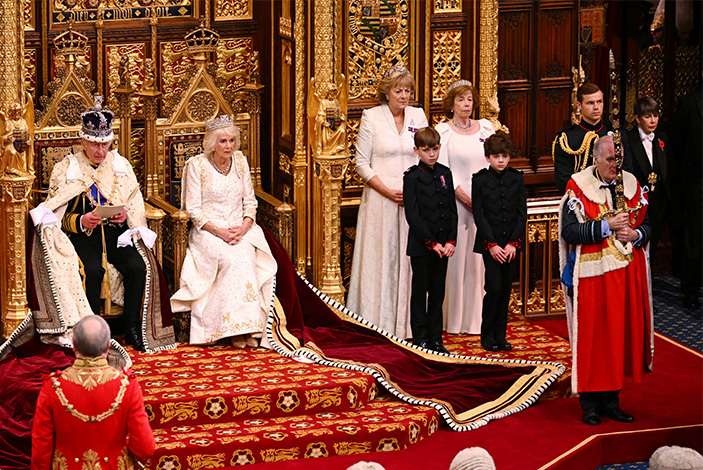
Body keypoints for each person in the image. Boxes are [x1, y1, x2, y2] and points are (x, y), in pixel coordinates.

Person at [29, 96, 173, 353]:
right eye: (95, 145)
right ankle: (92, 335)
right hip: (82, 235)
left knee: (138, 266)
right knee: (92, 271)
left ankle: (131, 326)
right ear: (82, 141)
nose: (100, 151)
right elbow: (54, 216)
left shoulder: (120, 166)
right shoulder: (67, 169)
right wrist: (81, 220)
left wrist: (124, 216)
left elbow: (133, 201)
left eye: (105, 144)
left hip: (117, 233)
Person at [559, 135, 653, 426]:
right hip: (592, 278)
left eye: (619, 159)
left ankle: (612, 401)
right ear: (596, 159)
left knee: (618, 336)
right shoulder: (578, 186)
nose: (616, 165)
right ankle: (590, 405)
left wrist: (636, 235)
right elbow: (570, 231)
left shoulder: (633, 184)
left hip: (625, 275)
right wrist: (605, 226)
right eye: (611, 159)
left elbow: (649, 224)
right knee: (594, 339)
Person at [171, 115, 277, 347]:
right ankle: (230, 329)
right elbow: (194, 211)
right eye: (222, 141)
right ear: (211, 143)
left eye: (231, 140)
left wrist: (244, 227)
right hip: (208, 231)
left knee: (247, 257)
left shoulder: (240, 161)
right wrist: (219, 232)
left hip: (241, 229)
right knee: (230, 259)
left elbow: (250, 202)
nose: (228, 146)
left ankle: (249, 328)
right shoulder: (196, 166)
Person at [347, 65, 428, 339]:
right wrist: (386, 190)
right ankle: (376, 321)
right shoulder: (371, 117)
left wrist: (415, 189)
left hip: (412, 199)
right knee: (382, 256)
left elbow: (426, 154)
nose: (404, 96)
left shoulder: (418, 115)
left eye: (407, 91)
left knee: (410, 258)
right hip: (380, 199)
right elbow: (361, 163)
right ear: (387, 92)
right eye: (399, 90)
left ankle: (408, 324)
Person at [31, 315, 155, 469]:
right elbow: (145, 448)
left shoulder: (53, 387)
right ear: (108, 346)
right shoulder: (127, 386)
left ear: (74, 345)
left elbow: (40, 452)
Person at [437, 79, 495, 335]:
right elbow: (442, 172)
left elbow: (495, 160)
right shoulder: (443, 132)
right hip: (457, 206)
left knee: (480, 262)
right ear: (452, 104)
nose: (466, 104)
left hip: (485, 204)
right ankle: (454, 320)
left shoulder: (486, 128)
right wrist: (462, 196)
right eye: (461, 99)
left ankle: (479, 320)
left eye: (470, 99)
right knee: (458, 260)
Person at [403, 127, 457, 352]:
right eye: (426, 150)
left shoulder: (445, 172)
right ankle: (420, 337)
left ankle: (436, 337)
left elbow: (452, 210)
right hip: (422, 246)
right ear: (417, 150)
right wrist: (431, 242)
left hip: (444, 246)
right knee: (420, 290)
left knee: (438, 292)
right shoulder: (412, 177)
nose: (431, 154)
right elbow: (413, 215)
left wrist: (451, 241)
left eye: (434, 149)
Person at [472, 132, 526, 352]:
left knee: (505, 290)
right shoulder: (480, 180)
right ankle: (488, 336)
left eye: (504, 156)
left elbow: (522, 213)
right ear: (488, 158)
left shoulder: (517, 178)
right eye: (496, 156)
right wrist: (492, 245)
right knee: (492, 288)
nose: (501, 160)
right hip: (491, 245)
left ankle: (500, 336)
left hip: (510, 245)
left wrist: (513, 242)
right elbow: (479, 214)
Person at [553, 83, 628, 194]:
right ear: (579, 105)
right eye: (590, 103)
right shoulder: (566, 138)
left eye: (599, 102)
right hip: (581, 200)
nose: (596, 107)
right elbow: (563, 180)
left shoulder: (617, 134)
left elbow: (627, 171)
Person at [669, 84, 702, 311]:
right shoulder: (689, 103)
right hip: (696, 184)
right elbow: (676, 145)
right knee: (695, 238)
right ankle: (690, 290)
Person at [625, 97, 668, 263]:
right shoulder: (628, 139)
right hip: (637, 202)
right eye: (647, 116)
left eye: (655, 116)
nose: (652, 121)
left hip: (658, 203)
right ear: (637, 118)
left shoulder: (662, 139)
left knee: (654, 244)